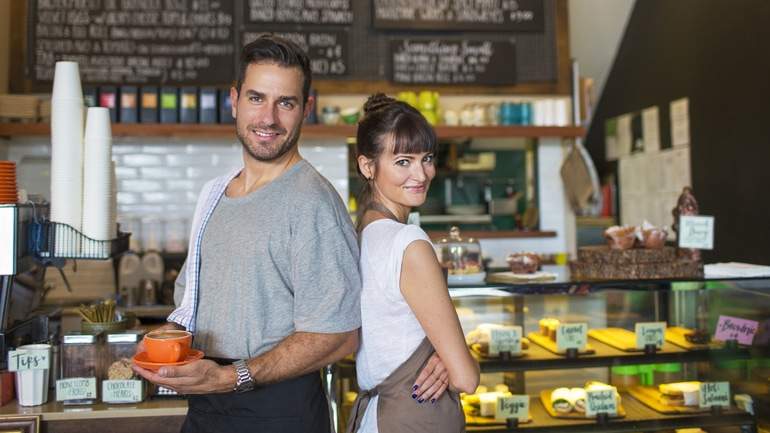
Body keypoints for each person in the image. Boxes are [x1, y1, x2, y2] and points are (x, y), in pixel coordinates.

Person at [132, 35, 362, 433]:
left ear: (306, 109)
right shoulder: (214, 195)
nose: (268, 118)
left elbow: (339, 336)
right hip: (208, 403)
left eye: (285, 103)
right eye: (257, 98)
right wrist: (167, 338)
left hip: (279, 411)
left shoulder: (314, 203)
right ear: (234, 100)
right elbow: (192, 305)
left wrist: (231, 377)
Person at [346, 94, 480, 433]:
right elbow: (466, 379)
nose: (421, 174)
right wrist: (458, 361)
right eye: (403, 161)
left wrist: (444, 355)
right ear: (367, 166)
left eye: (427, 158)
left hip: (375, 416)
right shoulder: (409, 242)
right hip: (412, 419)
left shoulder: (361, 234)